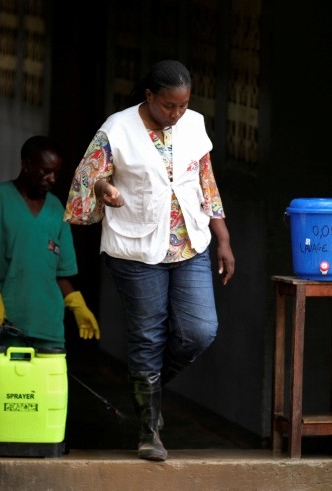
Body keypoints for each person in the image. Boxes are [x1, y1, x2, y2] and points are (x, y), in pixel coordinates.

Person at [63, 59, 235, 461]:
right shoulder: (116, 129)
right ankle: (149, 430)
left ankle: (147, 391)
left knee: (200, 331)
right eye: (169, 106)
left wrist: (223, 237)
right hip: (136, 248)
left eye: (183, 105)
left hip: (189, 243)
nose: (176, 114)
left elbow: (205, 181)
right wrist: (106, 188)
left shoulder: (193, 124)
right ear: (149, 97)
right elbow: (88, 179)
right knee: (148, 337)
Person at [0, 135, 100, 352]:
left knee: (49, 385)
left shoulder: (57, 211)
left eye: (56, 172)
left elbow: (61, 273)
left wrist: (77, 305)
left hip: (49, 328)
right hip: (5, 324)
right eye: (46, 171)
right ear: (26, 165)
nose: (52, 179)